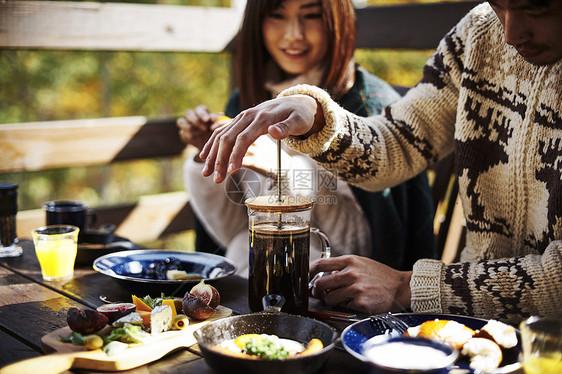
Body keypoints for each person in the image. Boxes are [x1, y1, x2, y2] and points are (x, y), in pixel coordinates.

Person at [199, 0, 562, 324]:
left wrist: (407, 287)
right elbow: (399, 143)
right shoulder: (478, 33)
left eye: (537, 8)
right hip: (465, 324)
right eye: (499, 5)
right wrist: (316, 115)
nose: (512, 33)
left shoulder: (369, 93)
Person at [177, 0, 436, 277]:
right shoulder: (247, 100)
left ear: (339, 22)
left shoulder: (371, 109)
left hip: (328, 289)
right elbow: (233, 233)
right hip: (252, 277)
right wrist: (209, 152)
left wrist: (282, 170)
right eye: (277, 15)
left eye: (311, 15)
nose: (293, 34)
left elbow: (361, 247)